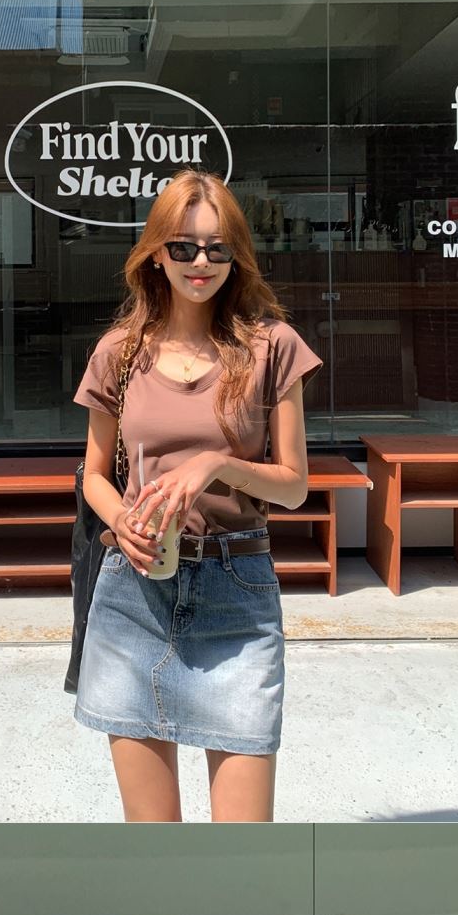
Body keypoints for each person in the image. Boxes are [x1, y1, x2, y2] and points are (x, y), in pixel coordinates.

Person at [73, 169, 322, 822]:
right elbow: (94, 475)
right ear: (156, 253)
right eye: (183, 247)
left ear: (237, 255)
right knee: (155, 849)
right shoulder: (119, 353)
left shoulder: (272, 347)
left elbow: (294, 486)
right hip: (134, 596)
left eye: (217, 248)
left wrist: (218, 464)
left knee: (241, 852)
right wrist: (123, 520)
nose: (200, 262)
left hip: (236, 594)